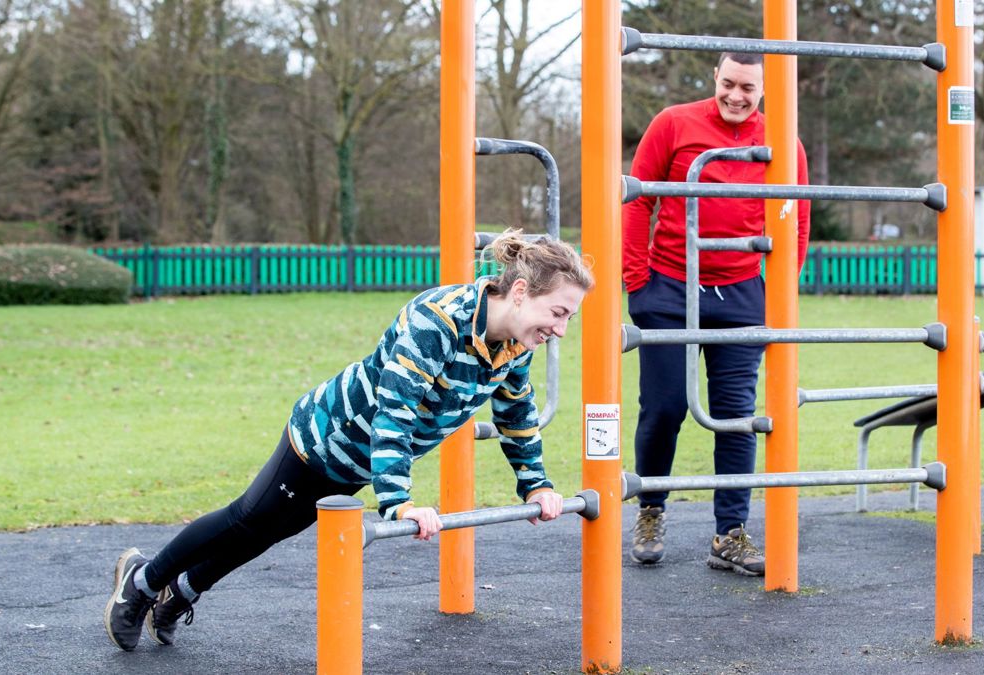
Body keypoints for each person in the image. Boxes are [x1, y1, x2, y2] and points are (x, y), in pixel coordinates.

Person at [104, 232, 594, 651]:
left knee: (271, 531)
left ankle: (181, 593)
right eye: (557, 312)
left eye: (569, 317)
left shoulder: (513, 345)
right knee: (248, 520)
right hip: (325, 437)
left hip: (361, 460)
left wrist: (536, 484)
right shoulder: (439, 320)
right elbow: (395, 411)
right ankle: (142, 583)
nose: (561, 329)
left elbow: (516, 414)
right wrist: (398, 502)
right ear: (522, 291)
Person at [622, 52, 810, 575]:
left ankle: (729, 533)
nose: (736, 95)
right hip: (668, 286)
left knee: (737, 419)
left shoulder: (781, 139)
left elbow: (796, 217)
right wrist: (638, 280)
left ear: (763, 89)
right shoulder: (674, 122)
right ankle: (651, 510)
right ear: (715, 78)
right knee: (663, 408)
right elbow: (637, 200)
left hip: (742, 292)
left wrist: (780, 297)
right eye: (728, 83)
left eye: (747, 87)